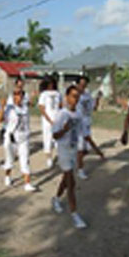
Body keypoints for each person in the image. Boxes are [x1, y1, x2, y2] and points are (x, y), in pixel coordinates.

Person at [51, 85, 89, 229]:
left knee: (66, 180)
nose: (75, 99)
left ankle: (56, 199)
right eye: (73, 96)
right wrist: (64, 129)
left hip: (73, 149)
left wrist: (83, 148)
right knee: (71, 182)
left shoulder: (78, 114)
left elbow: (81, 132)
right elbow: (55, 135)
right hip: (63, 150)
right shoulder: (61, 114)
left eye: (77, 96)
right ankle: (75, 215)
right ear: (66, 97)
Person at [0, 89, 36, 192]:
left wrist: (34, 95)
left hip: (24, 138)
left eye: (20, 95)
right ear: (13, 97)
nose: (18, 97)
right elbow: (0, 119)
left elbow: (32, 104)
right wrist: (2, 107)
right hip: (12, 138)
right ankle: (7, 176)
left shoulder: (25, 108)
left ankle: (27, 183)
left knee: (25, 160)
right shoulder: (10, 108)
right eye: (16, 95)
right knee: (10, 159)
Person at [76, 76, 105, 180]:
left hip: (87, 122)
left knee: (85, 150)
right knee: (80, 148)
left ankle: (76, 161)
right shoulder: (74, 95)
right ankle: (80, 170)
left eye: (85, 85)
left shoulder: (87, 95)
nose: (83, 87)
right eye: (81, 84)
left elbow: (94, 108)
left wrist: (98, 98)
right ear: (77, 84)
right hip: (78, 124)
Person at [38, 77, 62, 168]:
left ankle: (60, 157)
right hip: (47, 121)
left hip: (57, 120)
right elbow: (42, 108)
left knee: (58, 139)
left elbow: (60, 106)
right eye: (49, 83)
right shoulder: (44, 94)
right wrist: (49, 119)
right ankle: (49, 158)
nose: (51, 85)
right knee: (47, 139)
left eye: (52, 83)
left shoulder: (57, 94)